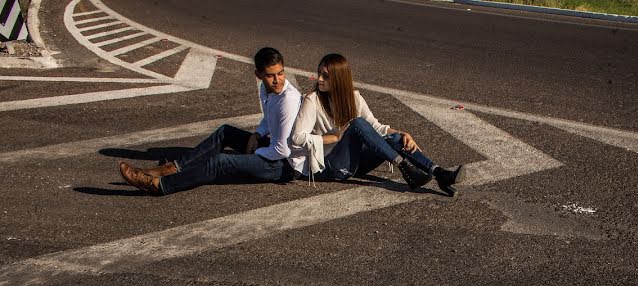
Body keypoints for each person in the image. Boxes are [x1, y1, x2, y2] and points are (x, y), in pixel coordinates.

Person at [117, 47, 303, 195]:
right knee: (225, 132)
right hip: (274, 148)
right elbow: (270, 118)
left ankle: (159, 185)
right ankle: (173, 168)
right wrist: (257, 134)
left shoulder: (288, 99)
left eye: (281, 73)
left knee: (220, 162)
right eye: (271, 75)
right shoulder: (266, 88)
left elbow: (283, 150)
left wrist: (251, 154)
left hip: (284, 165)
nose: (277, 80)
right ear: (259, 75)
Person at [292, 53, 465, 196]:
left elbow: (375, 127)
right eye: (319, 73)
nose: (320, 79)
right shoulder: (312, 100)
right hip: (331, 167)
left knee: (395, 138)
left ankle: (440, 174)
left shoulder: (354, 98)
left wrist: (403, 133)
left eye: (326, 76)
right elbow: (297, 137)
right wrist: (334, 137)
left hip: (356, 162)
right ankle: (404, 167)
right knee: (357, 123)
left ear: (339, 79)